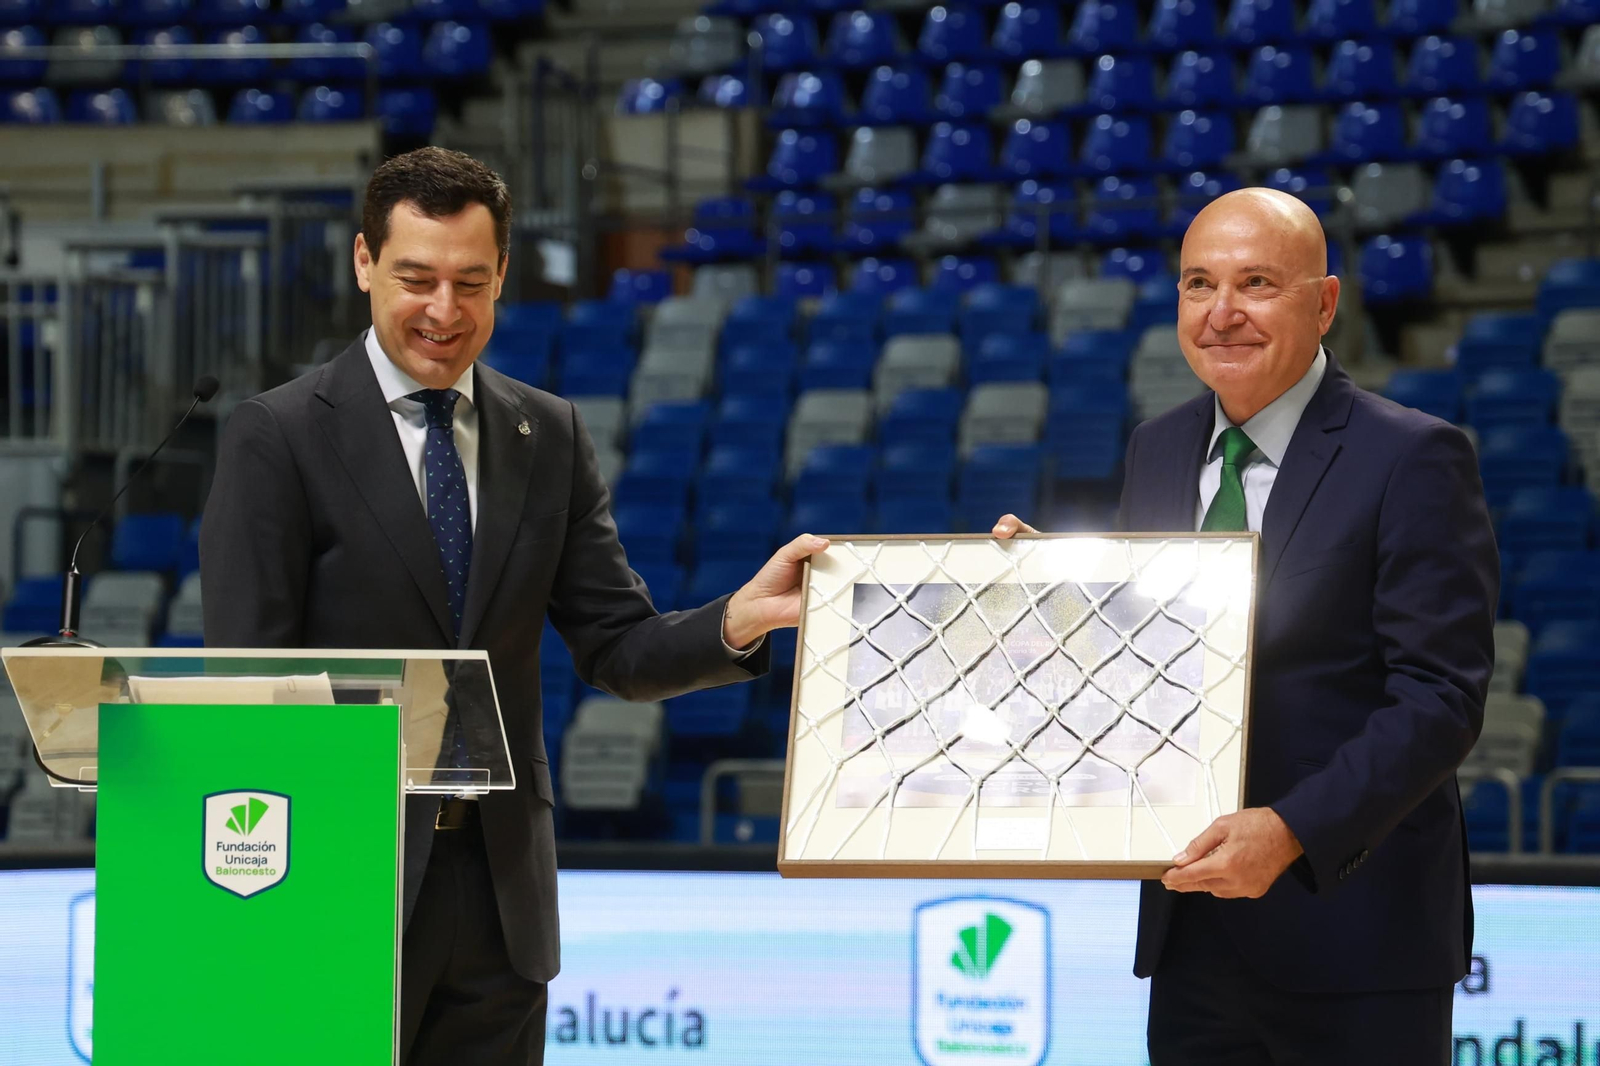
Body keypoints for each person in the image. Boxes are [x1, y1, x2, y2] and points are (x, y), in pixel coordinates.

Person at [199, 147, 828, 1065]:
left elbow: (618, 645)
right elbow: (252, 684)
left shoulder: (548, 432)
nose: (444, 312)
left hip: (501, 896)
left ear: (502, 277)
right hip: (336, 881)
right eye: (416, 278)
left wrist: (741, 619)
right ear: (364, 262)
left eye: (471, 282)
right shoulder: (278, 436)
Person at [995, 187, 1497, 1064]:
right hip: (1193, 934)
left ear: (1325, 302)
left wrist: (1293, 829)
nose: (1222, 313)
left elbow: (1441, 699)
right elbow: (1145, 664)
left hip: (1357, 936)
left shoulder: (1412, 455)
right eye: (1198, 285)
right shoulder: (1156, 447)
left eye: (1256, 283)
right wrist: (1061, 603)